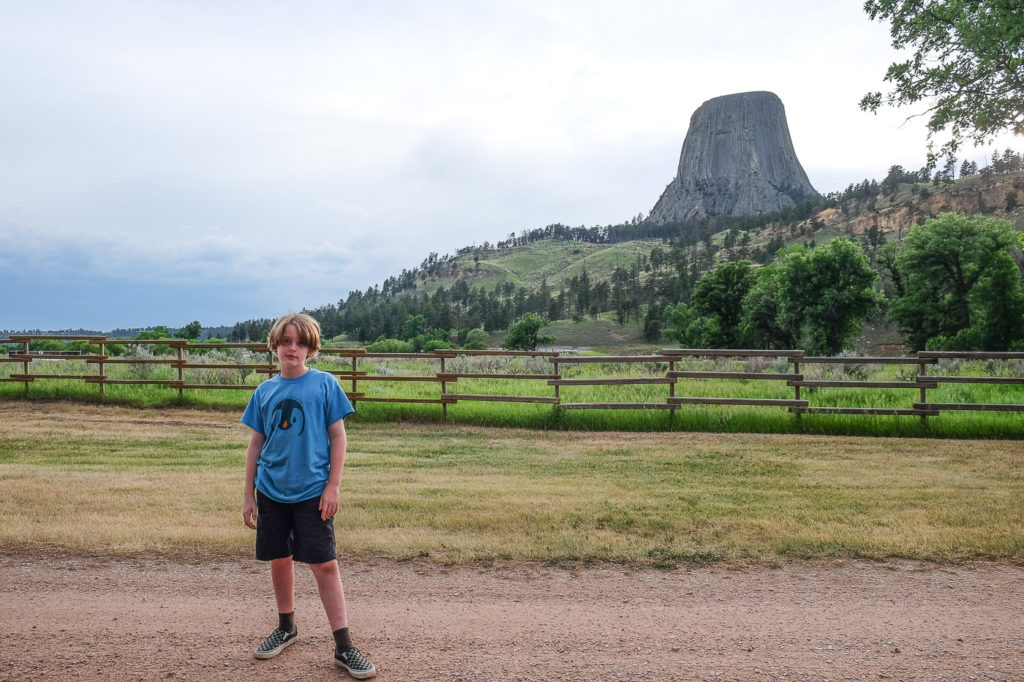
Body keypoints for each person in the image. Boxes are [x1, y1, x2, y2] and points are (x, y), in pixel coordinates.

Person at [241, 312, 376, 679]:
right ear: (276, 345)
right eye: (286, 341)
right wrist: (248, 494)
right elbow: (256, 443)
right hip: (271, 491)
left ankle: (344, 646)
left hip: (313, 493)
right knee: (280, 558)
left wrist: (333, 485)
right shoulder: (265, 391)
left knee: (325, 565)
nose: (292, 348)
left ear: (310, 348)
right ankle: (286, 627)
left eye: (300, 342)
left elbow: (338, 437)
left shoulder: (325, 385)